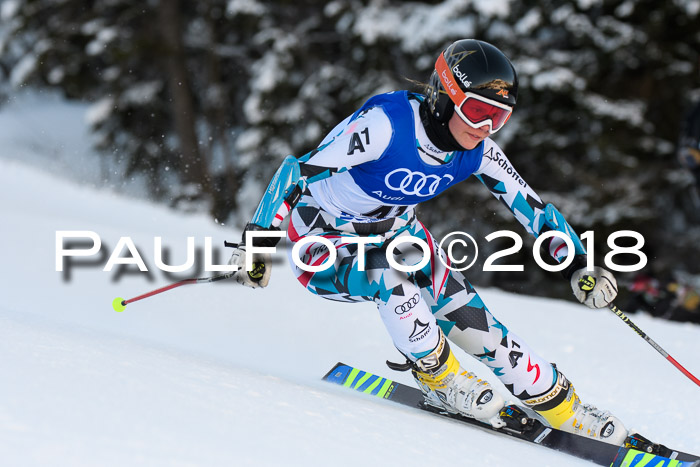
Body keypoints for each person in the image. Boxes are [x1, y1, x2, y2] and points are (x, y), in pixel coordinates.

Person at [228, 39, 628, 445]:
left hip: (399, 236)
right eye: (477, 111)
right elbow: (296, 172)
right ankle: (439, 378)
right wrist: (257, 243)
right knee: (389, 277)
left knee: (478, 325)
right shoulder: (385, 126)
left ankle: (563, 408)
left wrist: (579, 263)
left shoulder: (478, 153)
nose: (484, 128)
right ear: (444, 96)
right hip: (323, 238)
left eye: (498, 118)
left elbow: (531, 207)